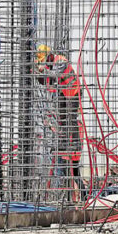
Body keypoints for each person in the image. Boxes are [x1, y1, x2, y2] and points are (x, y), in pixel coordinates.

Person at [36, 47, 83, 200]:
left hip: (73, 91)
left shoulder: (59, 61)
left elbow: (55, 74)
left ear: (49, 56)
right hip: (64, 92)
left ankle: (71, 142)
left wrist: (43, 70)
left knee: (70, 118)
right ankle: (64, 140)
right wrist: (38, 73)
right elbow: (46, 81)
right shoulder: (50, 64)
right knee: (63, 119)